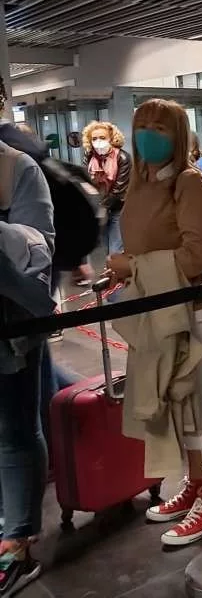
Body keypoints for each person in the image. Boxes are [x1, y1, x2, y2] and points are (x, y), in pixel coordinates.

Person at [104, 98, 202, 546]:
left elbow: (197, 255)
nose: (149, 135)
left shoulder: (189, 183)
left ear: (177, 134)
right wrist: (129, 269)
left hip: (197, 309)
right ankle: (196, 483)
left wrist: (134, 266)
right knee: (182, 401)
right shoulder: (141, 184)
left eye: (160, 127)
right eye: (143, 125)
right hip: (160, 309)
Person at [0, 135, 56, 594]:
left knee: (15, 429)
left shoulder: (16, 169)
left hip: (11, 329)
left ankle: (16, 543)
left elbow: (39, 252)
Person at [81, 121, 131, 256]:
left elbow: (119, 189)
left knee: (115, 250)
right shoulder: (89, 156)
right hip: (97, 208)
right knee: (102, 250)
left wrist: (102, 207)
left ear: (111, 139)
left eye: (102, 138)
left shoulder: (123, 157)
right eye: (94, 139)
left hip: (117, 208)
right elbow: (85, 181)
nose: (98, 142)